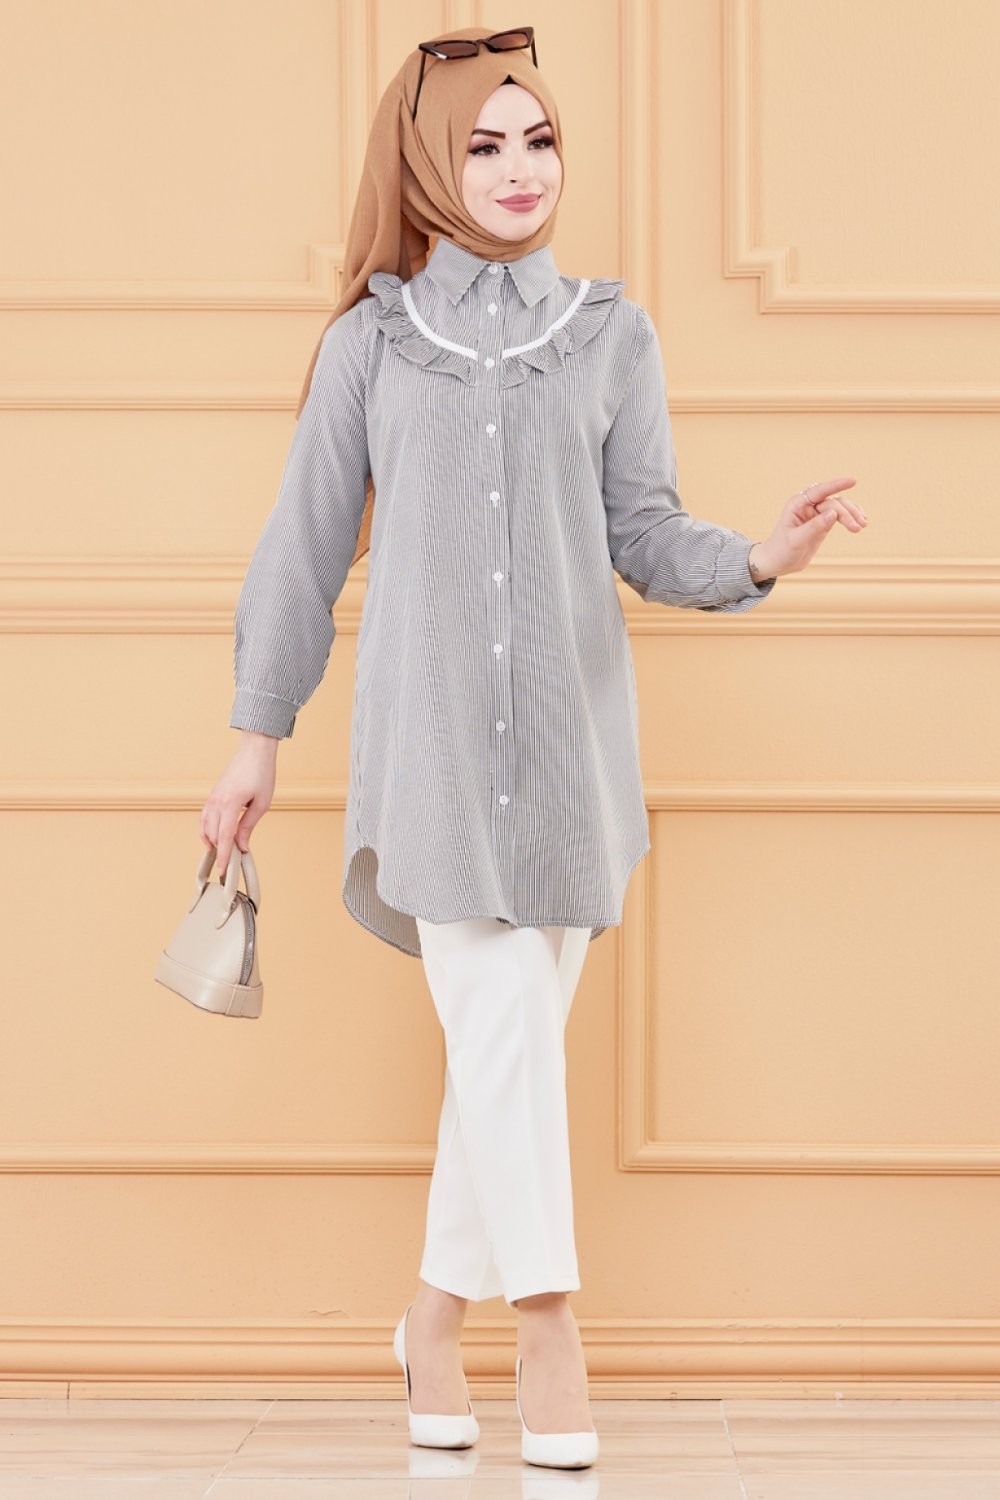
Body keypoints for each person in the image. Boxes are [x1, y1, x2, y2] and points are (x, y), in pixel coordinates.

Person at [199, 25, 867, 1469]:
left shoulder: (613, 336)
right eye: (484, 144)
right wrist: (257, 737)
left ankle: (431, 1320)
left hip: (572, 767)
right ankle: (551, 1329)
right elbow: (299, 553)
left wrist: (759, 556)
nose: (519, 169)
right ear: (432, 166)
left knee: (500, 1058)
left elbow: (643, 532)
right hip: (432, 764)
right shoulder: (372, 346)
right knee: (504, 1031)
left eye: (539, 139)